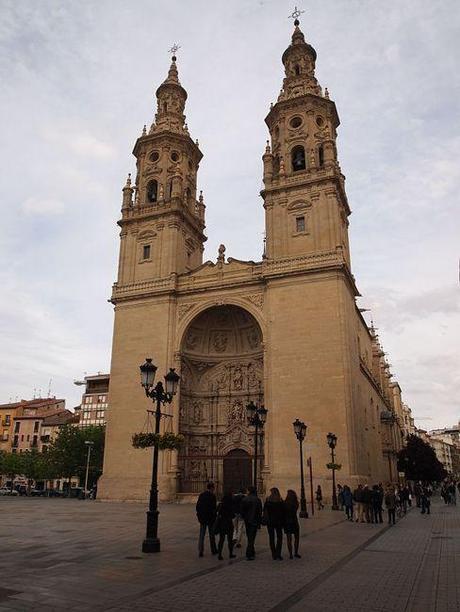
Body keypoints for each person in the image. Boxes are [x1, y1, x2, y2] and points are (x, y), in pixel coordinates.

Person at [196, 482, 218, 557]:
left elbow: (197, 506)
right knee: (211, 535)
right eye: (213, 488)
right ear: (211, 488)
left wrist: (199, 515)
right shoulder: (212, 496)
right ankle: (213, 549)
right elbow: (214, 508)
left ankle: (200, 550)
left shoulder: (201, 495)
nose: (214, 489)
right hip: (210, 518)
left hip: (202, 518)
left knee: (202, 534)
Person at [240, 486, 262, 560]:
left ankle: (250, 552)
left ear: (249, 491)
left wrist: (244, 517)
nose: (246, 492)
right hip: (255, 521)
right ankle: (250, 553)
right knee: (252, 537)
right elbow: (259, 511)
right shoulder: (258, 500)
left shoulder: (245, 499)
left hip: (247, 521)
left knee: (250, 537)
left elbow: (242, 511)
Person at [263, 487, 285, 560]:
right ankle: (278, 553)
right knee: (279, 537)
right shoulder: (280, 501)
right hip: (278, 522)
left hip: (270, 522)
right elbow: (283, 512)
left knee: (271, 538)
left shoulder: (268, 501)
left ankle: (273, 554)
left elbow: (265, 511)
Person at [216, 490, 236, 560]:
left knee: (221, 539)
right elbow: (233, 515)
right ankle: (230, 553)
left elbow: (217, 511)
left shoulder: (221, 504)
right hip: (228, 523)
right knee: (230, 540)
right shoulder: (230, 504)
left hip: (222, 523)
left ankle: (219, 554)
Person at [284, 490, 301, 559]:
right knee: (296, 538)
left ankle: (290, 554)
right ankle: (296, 552)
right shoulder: (296, 503)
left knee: (289, 539)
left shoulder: (285, 503)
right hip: (294, 521)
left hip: (287, 522)